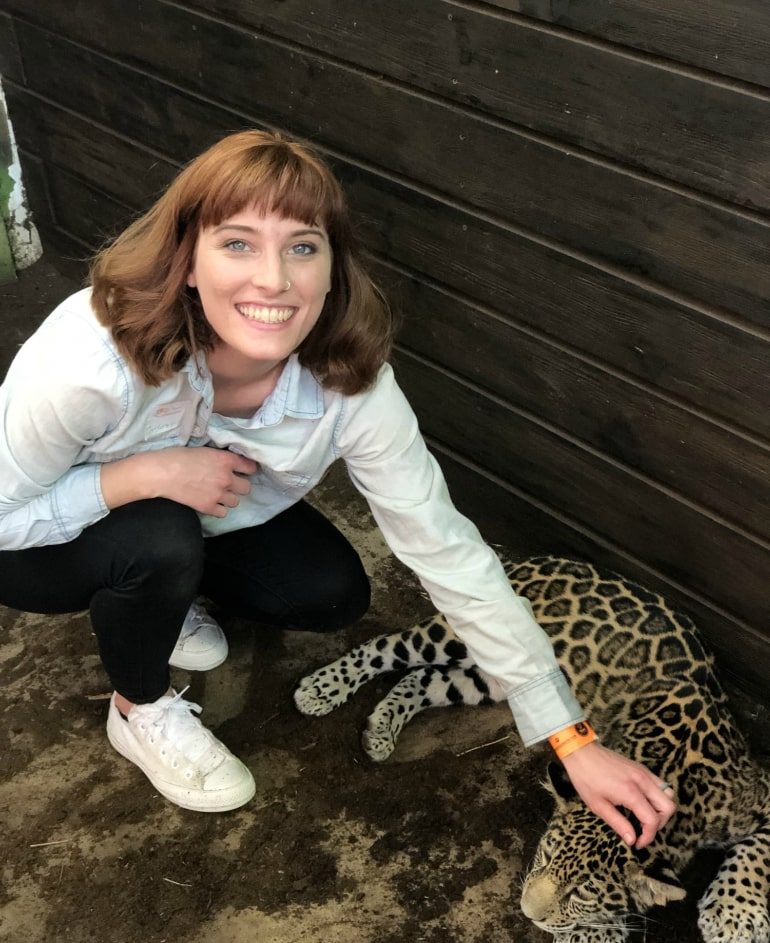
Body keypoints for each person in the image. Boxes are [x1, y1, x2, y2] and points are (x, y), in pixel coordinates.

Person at [0, 130, 675, 843]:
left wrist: (571, 736)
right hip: (36, 541)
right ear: (187, 261)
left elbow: (442, 545)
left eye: (301, 246)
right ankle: (137, 704)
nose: (274, 280)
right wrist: (139, 474)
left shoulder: (350, 381)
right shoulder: (91, 360)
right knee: (158, 536)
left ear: (331, 269)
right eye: (237, 244)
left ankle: (162, 599)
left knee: (330, 591)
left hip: (207, 517)